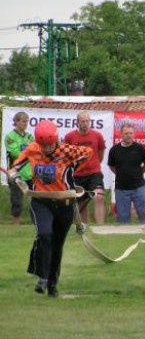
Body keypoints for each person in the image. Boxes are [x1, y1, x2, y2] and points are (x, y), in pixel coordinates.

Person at [7, 120, 92, 298]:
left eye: (49, 145)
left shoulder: (67, 151)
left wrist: (73, 166)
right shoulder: (32, 149)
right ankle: (42, 277)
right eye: (42, 145)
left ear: (56, 140)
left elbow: (89, 153)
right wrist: (15, 177)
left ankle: (52, 285)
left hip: (65, 204)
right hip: (40, 202)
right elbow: (13, 168)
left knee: (57, 245)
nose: (46, 149)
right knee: (44, 234)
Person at [64, 112, 107, 224]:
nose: (85, 123)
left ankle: (101, 227)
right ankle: (84, 226)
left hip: (94, 172)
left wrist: (95, 163)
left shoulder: (97, 136)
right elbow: (66, 155)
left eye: (87, 121)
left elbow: (101, 153)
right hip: (77, 174)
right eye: (82, 121)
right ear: (77, 122)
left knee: (99, 196)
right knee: (80, 202)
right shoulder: (69, 137)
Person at [108, 123, 145, 224]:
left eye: (131, 133)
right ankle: (124, 238)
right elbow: (111, 166)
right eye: (126, 133)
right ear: (121, 134)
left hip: (139, 188)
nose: (129, 135)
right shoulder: (114, 150)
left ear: (134, 134)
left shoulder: (141, 149)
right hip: (121, 189)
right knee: (123, 219)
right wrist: (120, 174)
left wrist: (138, 173)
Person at [4, 112, 34, 224]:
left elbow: (35, 152)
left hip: (30, 174)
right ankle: (15, 225)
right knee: (17, 202)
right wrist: (28, 152)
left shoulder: (30, 137)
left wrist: (28, 152)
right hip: (16, 174)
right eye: (23, 121)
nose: (25, 124)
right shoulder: (10, 136)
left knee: (36, 200)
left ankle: (34, 223)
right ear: (16, 121)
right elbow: (15, 153)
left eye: (27, 121)